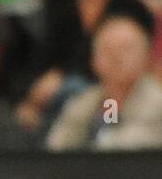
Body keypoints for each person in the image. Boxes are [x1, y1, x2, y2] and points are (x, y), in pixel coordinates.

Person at [18, 0, 154, 128]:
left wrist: (62, 77)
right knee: (35, 110)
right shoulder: (60, 5)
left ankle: (105, 138)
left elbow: (135, 63)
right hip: (66, 95)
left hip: (118, 90)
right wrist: (34, 97)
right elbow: (45, 57)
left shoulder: (130, 8)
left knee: (77, 93)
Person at [48, 15, 162, 148]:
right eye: (108, 49)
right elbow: (56, 149)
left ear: (147, 58)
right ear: (93, 59)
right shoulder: (83, 103)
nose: (116, 57)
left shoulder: (158, 104)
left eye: (125, 49)